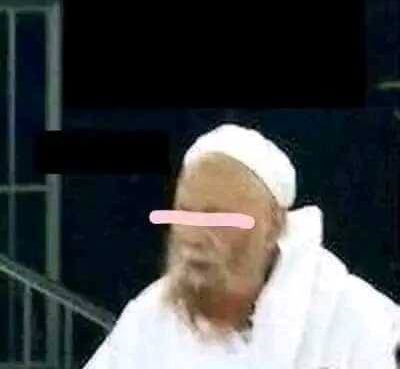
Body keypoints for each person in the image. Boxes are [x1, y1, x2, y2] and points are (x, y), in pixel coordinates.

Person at [83, 123, 399, 369]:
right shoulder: (150, 318)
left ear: (273, 226)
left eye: (216, 218)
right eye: (185, 213)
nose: (194, 236)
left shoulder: (355, 320)